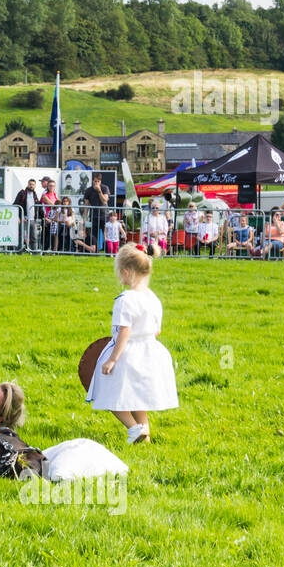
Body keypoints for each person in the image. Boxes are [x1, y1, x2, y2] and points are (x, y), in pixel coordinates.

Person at [86, 244, 178, 444]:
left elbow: (124, 331)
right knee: (138, 397)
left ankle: (134, 428)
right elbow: (157, 329)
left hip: (128, 353)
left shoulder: (125, 299)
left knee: (107, 392)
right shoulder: (153, 298)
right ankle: (145, 434)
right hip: (150, 351)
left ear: (126, 272)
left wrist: (112, 359)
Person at [13, 178, 39, 252]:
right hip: (23, 218)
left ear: (35, 186)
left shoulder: (35, 195)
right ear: (27, 185)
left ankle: (34, 252)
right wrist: (19, 217)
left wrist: (43, 216)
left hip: (32, 220)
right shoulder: (22, 193)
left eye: (33, 185)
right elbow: (16, 205)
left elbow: (37, 206)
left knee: (33, 237)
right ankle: (19, 252)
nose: (31, 186)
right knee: (21, 236)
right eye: (30, 184)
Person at [83, 174, 107, 249]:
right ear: (92, 181)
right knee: (94, 235)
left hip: (104, 215)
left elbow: (104, 201)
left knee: (105, 234)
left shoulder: (104, 188)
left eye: (98, 181)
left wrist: (99, 191)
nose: (96, 183)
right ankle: (95, 251)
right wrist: (84, 218)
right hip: (93, 215)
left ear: (101, 181)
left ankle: (107, 252)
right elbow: (86, 205)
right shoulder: (88, 190)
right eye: (95, 181)